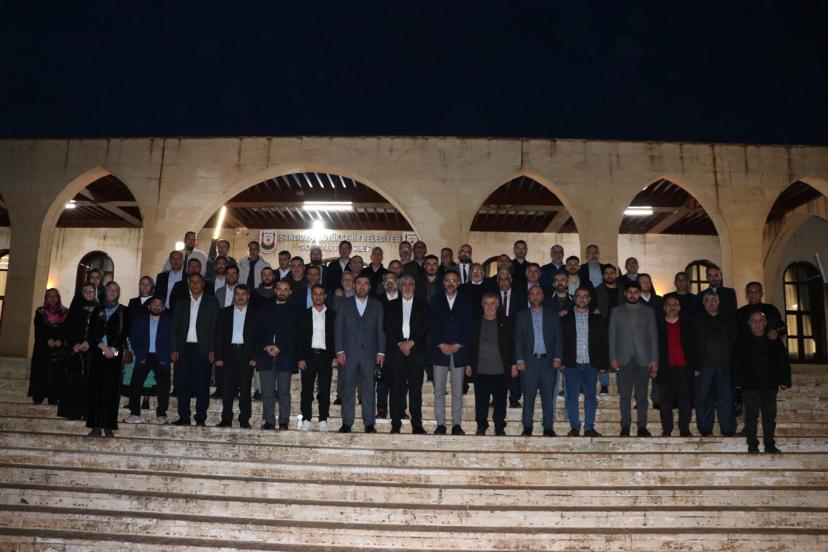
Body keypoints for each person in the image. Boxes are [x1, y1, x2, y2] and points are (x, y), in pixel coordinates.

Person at [733, 311, 791, 454]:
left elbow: (783, 361)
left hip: (770, 385)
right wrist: (737, 383)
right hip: (750, 386)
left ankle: (769, 445)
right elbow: (736, 364)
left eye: (760, 321)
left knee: (769, 417)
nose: (757, 324)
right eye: (754, 321)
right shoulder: (742, 341)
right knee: (751, 417)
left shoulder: (774, 340)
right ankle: (752, 445)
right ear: (749, 323)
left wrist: (785, 380)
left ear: (765, 323)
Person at [334, 274, 386, 433]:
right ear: (354, 286)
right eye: (359, 283)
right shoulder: (344, 304)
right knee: (347, 389)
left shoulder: (377, 305)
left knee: (369, 389)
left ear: (369, 286)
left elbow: (380, 330)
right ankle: (347, 423)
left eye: (365, 283)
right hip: (348, 354)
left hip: (370, 355)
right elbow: (338, 329)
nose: (362, 286)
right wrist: (339, 351)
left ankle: (369, 423)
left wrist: (381, 352)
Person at [609, 281, 659, 437]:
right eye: (629, 292)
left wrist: (654, 359)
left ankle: (642, 426)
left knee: (642, 396)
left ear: (640, 294)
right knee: (625, 395)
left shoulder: (648, 312)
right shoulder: (616, 311)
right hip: (623, 358)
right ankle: (625, 425)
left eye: (636, 292)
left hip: (643, 358)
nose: (632, 295)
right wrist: (613, 357)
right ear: (625, 294)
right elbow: (612, 336)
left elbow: (654, 337)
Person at [170, 273, 219, 426]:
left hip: (203, 350)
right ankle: (184, 418)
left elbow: (215, 328)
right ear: (188, 284)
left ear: (203, 284)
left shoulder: (212, 302)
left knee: (202, 385)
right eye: (192, 282)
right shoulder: (180, 302)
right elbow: (174, 327)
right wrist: (174, 348)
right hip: (183, 349)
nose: (195, 284)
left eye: (198, 282)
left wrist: (213, 350)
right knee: (182, 385)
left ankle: (200, 418)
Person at [515, 285, 563, 437]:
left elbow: (558, 338)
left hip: (548, 362)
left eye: (538, 294)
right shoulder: (521, 316)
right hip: (529, 362)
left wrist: (558, 357)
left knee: (548, 397)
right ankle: (527, 426)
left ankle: (548, 427)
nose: (535, 296)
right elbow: (518, 339)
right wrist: (519, 359)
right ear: (529, 297)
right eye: (532, 294)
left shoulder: (552, 315)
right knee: (528, 397)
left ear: (543, 296)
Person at [384, 274, 429, 434]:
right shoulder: (391, 305)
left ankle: (417, 424)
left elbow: (425, 326)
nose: (407, 287)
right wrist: (400, 343)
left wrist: (411, 342)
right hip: (396, 351)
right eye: (404, 284)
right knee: (396, 388)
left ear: (414, 287)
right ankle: (395, 424)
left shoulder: (423, 304)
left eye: (410, 284)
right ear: (400, 287)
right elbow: (387, 326)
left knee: (416, 389)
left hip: (416, 350)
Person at [560, 287, 608, 437]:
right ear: (574, 298)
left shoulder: (597, 318)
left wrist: (603, 363)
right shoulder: (565, 318)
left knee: (591, 397)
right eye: (578, 296)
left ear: (589, 299)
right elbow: (560, 341)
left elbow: (603, 341)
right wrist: (561, 360)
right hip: (571, 363)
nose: (581, 298)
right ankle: (575, 427)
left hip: (590, 363)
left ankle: (589, 428)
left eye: (585, 296)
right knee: (571, 397)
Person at [429, 269, 472, 435]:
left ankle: (456, 425)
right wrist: (441, 344)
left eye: (454, 280)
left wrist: (458, 344)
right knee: (439, 390)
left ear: (458, 283)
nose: (450, 283)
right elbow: (432, 324)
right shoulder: (436, 299)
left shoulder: (466, 300)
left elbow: (469, 325)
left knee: (457, 391)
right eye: (447, 280)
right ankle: (440, 424)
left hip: (459, 350)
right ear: (443, 282)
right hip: (439, 350)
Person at [468, 293, 515, 436]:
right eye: (486, 304)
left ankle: (499, 426)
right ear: (482, 306)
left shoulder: (506, 322)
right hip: (480, 370)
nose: (490, 307)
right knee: (481, 401)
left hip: (500, 370)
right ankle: (481, 426)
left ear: (498, 305)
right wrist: (468, 364)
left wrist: (513, 364)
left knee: (500, 401)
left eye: (493, 303)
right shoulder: (475, 323)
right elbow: (470, 344)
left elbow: (513, 344)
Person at [254, 281, 299, 430]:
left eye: (285, 289)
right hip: (265, 356)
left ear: (290, 292)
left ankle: (284, 421)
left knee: (284, 392)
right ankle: (269, 421)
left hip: (285, 356)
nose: (282, 292)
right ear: (275, 291)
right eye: (279, 289)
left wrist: (280, 347)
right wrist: (266, 346)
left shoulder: (295, 311)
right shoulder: (265, 309)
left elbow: (295, 334)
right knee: (267, 392)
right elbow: (257, 331)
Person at [692, 292, 737, 437]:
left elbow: (735, 342)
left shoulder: (728, 319)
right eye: (708, 301)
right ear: (703, 304)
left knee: (726, 400)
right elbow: (691, 344)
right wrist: (694, 366)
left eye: (714, 301)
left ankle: (728, 430)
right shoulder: (696, 320)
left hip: (725, 367)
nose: (711, 303)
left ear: (718, 303)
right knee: (703, 399)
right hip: (703, 367)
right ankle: (706, 430)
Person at [86, 282, 128, 437]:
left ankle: (108, 425)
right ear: (105, 291)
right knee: (96, 389)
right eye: (111, 289)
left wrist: (113, 349)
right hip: (98, 352)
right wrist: (103, 348)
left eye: (116, 290)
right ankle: (96, 425)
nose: (113, 292)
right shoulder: (97, 309)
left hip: (115, 354)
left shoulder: (124, 310)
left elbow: (124, 334)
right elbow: (91, 333)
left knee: (112, 390)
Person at [214, 284, 258, 429]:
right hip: (228, 354)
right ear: (234, 295)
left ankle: (244, 420)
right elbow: (218, 336)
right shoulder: (224, 312)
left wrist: (255, 356)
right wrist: (218, 357)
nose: (240, 297)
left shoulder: (255, 313)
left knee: (245, 389)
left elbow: (259, 337)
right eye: (237, 294)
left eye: (243, 294)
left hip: (246, 355)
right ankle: (226, 419)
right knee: (227, 389)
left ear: (248, 296)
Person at [124, 296, 172, 425]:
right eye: (154, 303)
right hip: (143, 356)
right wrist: (140, 355)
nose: (157, 306)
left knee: (163, 386)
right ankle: (135, 413)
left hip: (161, 357)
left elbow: (172, 340)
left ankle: (161, 415)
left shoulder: (169, 321)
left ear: (163, 308)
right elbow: (134, 337)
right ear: (149, 306)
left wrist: (165, 357)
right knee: (135, 384)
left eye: (160, 304)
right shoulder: (141, 319)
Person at [296, 284, 336, 432]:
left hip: (326, 356)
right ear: (311, 296)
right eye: (315, 294)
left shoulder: (333, 315)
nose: (318, 296)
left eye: (321, 294)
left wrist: (335, 356)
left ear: (325, 296)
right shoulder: (304, 314)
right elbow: (299, 338)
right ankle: (306, 419)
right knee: (306, 390)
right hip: (308, 356)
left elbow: (337, 337)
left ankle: (323, 419)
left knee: (324, 390)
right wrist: (300, 358)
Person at [655, 295, 697, 437]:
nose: (672, 307)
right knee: (665, 402)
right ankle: (667, 428)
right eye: (669, 304)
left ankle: (684, 428)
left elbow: (694, 346)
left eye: (675, 304)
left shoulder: (688, 324)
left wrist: (696, 367)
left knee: (685, 401)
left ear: (679, 308)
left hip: (684, 368)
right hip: (665, 368)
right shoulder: (657, 325)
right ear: (664, 308)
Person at [58, 283, 97, 420]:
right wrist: (74, 345)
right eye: (86, 290)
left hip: (91, 350)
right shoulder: (75, 308)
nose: (89, 293)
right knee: (74, 381)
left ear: (95, 292)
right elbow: (68, 328)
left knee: (89, 381)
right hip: (75, 350)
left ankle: (86, 413)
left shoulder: (99, 309)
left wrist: (89, 342)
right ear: (81, 293)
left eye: (91, 290)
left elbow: (100, 330)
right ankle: (72, 412)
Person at [28, 288, 68, 405]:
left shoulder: (65, 312)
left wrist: (61, 340)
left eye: (55, 296)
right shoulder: (40, 312)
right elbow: (39, 329)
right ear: (46, 298)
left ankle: (53, 397)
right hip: (43, 347)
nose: (52, 298)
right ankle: (38, 396)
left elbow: (67, 329)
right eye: (49, 296)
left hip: (58, 348)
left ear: (58, 298)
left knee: (55, 373)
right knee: (40, 371)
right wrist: (47, 340)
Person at [496, 268, 526, 408]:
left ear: (511, 280)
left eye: (506, 279)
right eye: (500, 280)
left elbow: (523, 316)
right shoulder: (493, 297)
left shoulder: (520, 296)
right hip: (497, 337)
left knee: (515, 367)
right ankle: (497, 397)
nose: (503, 282)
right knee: (498, 368)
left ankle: (514, 398)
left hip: (516, 336)